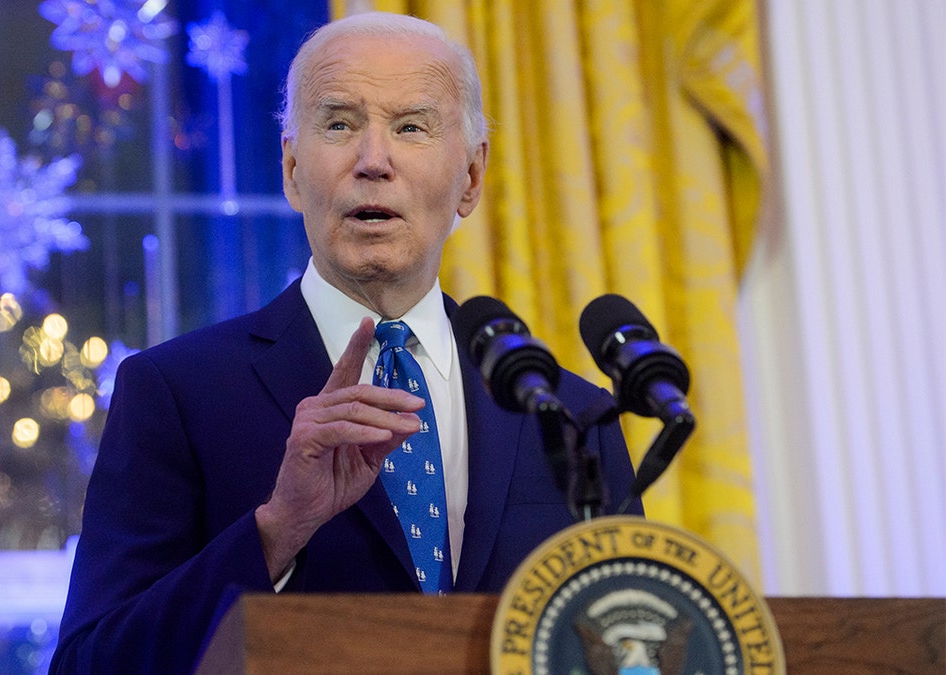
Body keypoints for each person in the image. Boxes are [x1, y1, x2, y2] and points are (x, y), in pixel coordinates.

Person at [50, 11, 641, 673]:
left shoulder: (568, 416)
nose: (372, 161)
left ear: (471, 178)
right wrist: (276, 530)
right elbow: (90, 662)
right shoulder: (176, 393)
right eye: (339, 123)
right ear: (293, 168)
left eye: (411, 126)